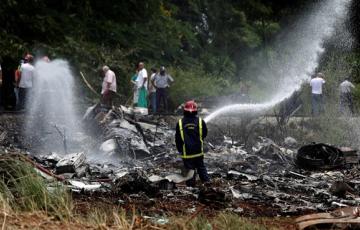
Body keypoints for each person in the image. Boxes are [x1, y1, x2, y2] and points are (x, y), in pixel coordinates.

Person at [175, 100, 209, 187]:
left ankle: (191, 188)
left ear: (185, 111)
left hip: (186, 153)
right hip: (198, 151)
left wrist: (180, 149)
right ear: (196, 111)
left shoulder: (180, 123)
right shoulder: (201, 122)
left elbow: (178, 139)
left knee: (190, 170)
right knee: (201, 168)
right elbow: (204, 134)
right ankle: (207, 184)